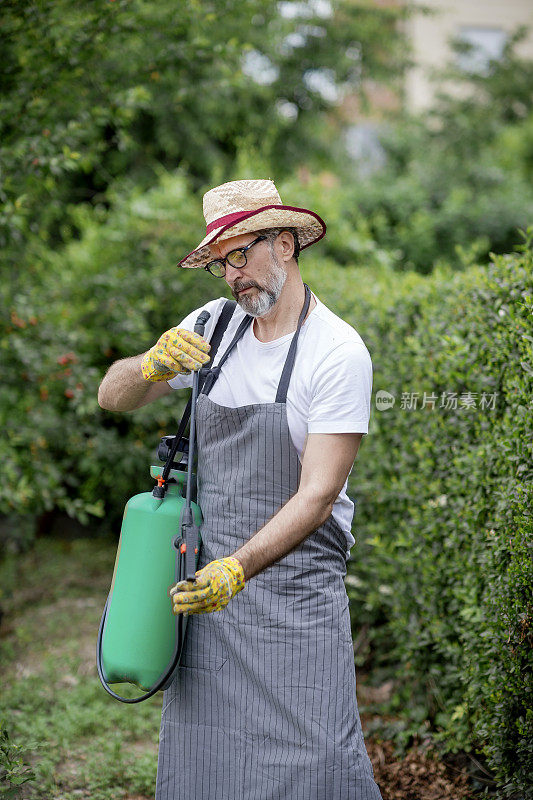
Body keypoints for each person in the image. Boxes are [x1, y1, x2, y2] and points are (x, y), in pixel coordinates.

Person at [98, 178, 382, 800]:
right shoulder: (212, 330)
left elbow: (317, 495)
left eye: (240, 254)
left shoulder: (335, 352)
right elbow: (110, 397)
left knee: (316, 762)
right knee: (209, 765)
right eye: (220, 261)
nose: (230, 275)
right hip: (205, 599)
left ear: (284, 243)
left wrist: (239, 568)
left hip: (294, 601)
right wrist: (149, 365)